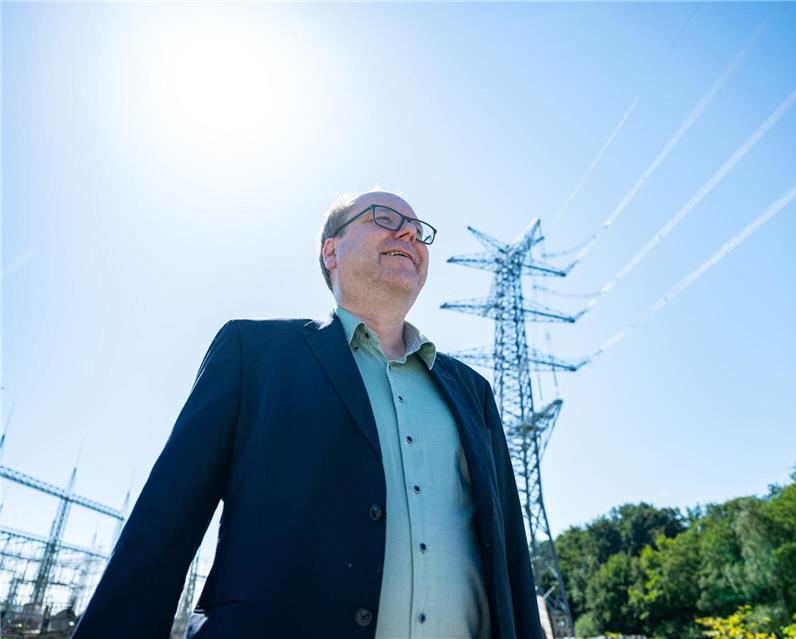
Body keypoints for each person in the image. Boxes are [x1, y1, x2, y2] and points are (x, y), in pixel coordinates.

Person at [73, 191, 542, 639]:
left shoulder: (472, 392)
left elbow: (510, 559)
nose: (410, 236)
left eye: (419, 231)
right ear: (331, 251)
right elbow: (161, 531)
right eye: (385, 219)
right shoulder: (252, 355)